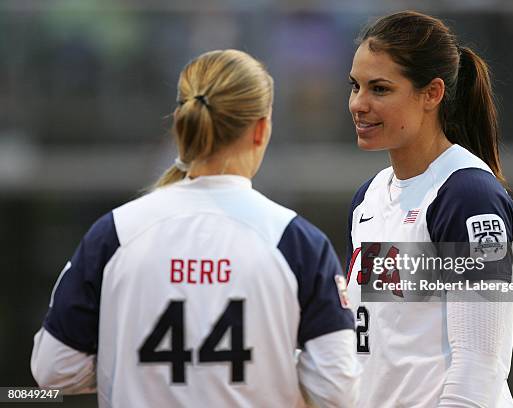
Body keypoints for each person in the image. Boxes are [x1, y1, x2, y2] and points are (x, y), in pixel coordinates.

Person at [31, 49, 360, 408]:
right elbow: (337, 389)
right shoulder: (296, 242)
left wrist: (126, 359)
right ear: (261, 129)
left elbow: (53, 369)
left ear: (180, 122)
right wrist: (271, 362)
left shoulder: (114, 234)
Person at [345, 11, 513, 407]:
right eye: (355, 86)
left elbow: (480, 365)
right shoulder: (368, 199)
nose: (359, 103)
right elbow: (380, 342)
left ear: (432, 93)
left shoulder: (468, 196)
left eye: (380, 89)